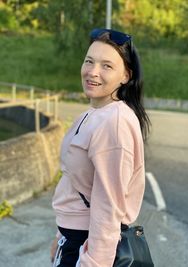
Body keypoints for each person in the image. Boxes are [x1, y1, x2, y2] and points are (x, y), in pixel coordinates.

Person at [51, 28, 151, 267]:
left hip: (87, 245)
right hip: (73, 239)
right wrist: (60, 236)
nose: (93, 72)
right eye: (89, 61)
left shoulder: (114, 122)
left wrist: (94, 263)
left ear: (125, 75)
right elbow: (75, 184)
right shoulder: (95, 113)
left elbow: (108, 206)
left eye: (107, 66)